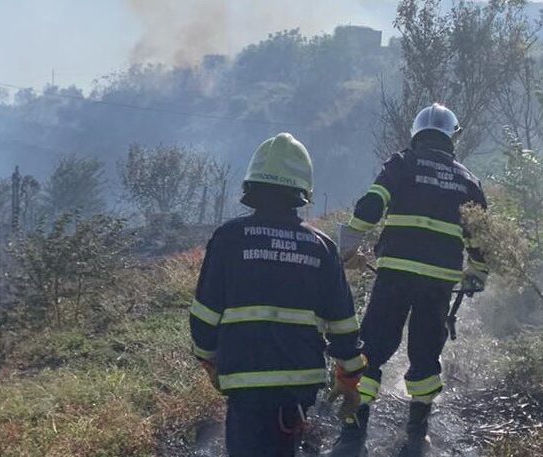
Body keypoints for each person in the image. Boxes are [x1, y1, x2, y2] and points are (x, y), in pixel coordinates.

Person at [189, 132, 367, 457]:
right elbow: (343, 323)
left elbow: (204, 315)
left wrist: (209, 360)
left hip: (244, 381)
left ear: (251, 186)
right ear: (303, 191)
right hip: (298, 385)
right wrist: (350, 377)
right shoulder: (321, 248)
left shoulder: (228, 239)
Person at [331, 104, 489, 457]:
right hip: (439, 281)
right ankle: (417, 436)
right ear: (452, 138)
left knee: (371, 350)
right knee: (425, 355)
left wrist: (350, 244)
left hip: (396, 273)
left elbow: (371, 203)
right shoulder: (468, 179)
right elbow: (481, 238)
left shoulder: (401, 164)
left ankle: (353, 434)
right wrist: (477, 273)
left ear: (417, 134)